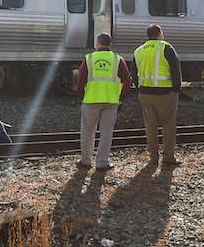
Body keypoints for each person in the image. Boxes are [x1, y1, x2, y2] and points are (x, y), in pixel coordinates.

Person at [74, 32, 133, 171]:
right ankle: (102, 163)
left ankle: (85, 161)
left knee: (88, 131)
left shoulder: (89, 58)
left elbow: (80, 81)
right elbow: (127, 81)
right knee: (107, 132)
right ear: (109, 44)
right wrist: (119, 97)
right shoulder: (117, 59)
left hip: (91, 101)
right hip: (111, 102)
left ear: (97, 43)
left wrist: (83, 96)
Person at [132, 24, 183, 166]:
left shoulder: (138, 50)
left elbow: (134, 73)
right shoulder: (166, 47)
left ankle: (153, 158)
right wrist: (176, 89)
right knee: (168, 125)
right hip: (165, 93)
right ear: (160, 33)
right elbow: (175, 70)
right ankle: (168, 157)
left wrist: (139, 88)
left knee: (150, 126)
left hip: (145, 93)